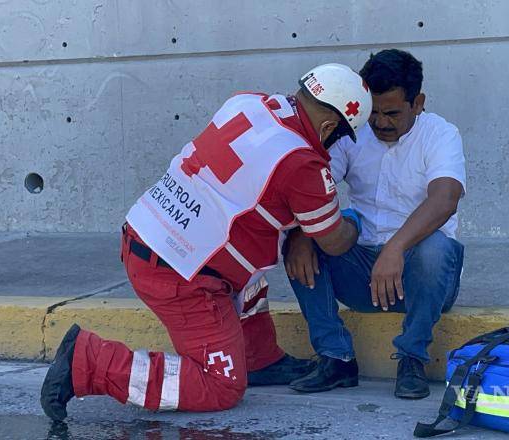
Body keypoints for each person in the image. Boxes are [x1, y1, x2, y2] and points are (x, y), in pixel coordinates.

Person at [39, 63, 372, 420]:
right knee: (221, 386)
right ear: (328, 126)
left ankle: (259, 358)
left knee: (252, 260)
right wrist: (354, 219)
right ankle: (88, 360)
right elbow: (334, 241)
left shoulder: (249, 103)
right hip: (183, 274)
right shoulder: (303, 164)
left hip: (149, 235)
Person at [285, 49, 466, 399]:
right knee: (300, 242)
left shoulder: (441, 134)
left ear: (418, 103)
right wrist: (299, 235)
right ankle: (336, 358)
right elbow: (309, 187)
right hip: (364, 274)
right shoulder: (352, 134)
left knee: (434, 248)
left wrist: (396, 248)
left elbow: (445, 199)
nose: (381, 122)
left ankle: (412, 359)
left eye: (393, 113)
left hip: (425, 280)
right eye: (375, 112)